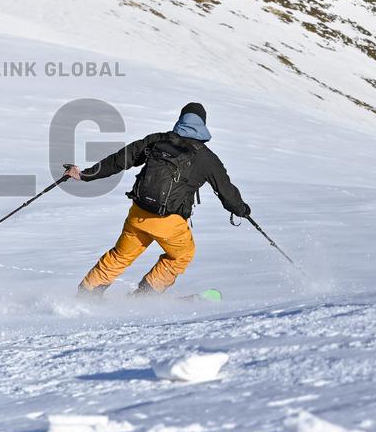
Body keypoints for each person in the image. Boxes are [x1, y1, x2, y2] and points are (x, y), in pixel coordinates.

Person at [66, 103, 250, 297]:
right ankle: (145, 296)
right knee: (182, 255)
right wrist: (242, 210)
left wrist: (84, 174)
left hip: (139, 213)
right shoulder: (206, 157)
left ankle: (86, 294)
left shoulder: (157, 141)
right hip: (169, 222)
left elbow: (119, 160)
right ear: (203, 124)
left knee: (120, 256)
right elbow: (226, 192)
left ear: (181, 119)